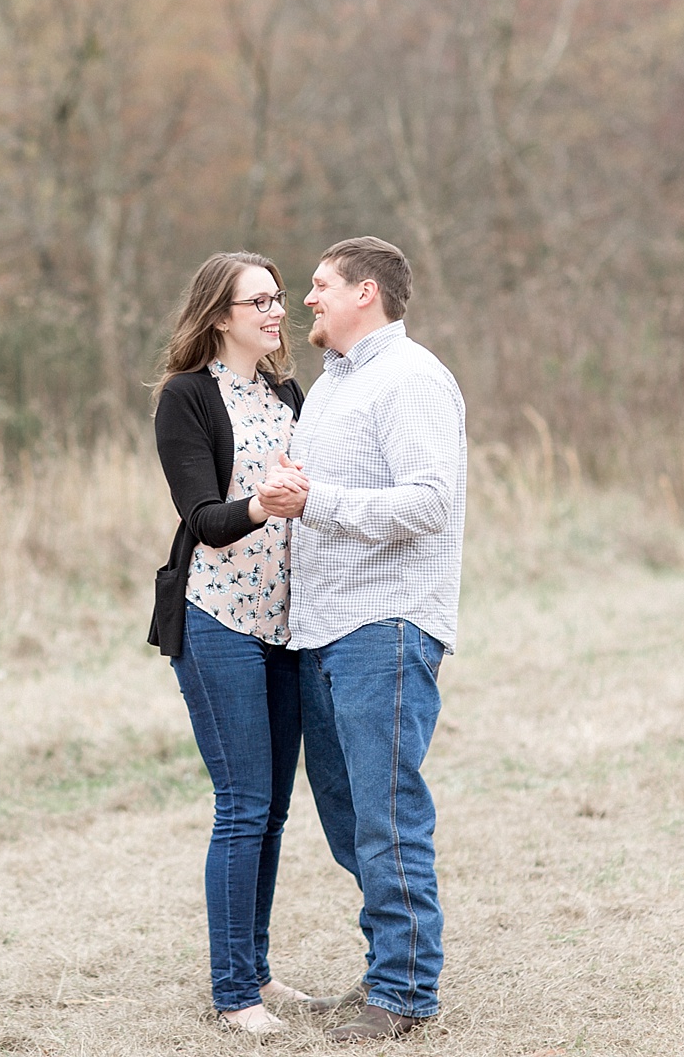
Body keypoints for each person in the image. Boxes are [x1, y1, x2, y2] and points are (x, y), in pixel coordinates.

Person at [255, 236, 468, 1042]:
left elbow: (427, 503)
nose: (305, 300)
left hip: (386, 625)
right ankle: (391, 966)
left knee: (383, 812)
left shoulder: (410, 379)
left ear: (366, 293)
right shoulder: (338, 387)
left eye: (319, 286)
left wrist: (315, 502)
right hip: (324, 631)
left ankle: (406, 995)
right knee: (347, 814)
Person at [149, 252, 314, 1035]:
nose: (277, 312)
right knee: (243, 805)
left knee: (275, 809)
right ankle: (232, 993)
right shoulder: (187, 398)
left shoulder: (287, 392)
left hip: (287, 625)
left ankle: (257, 968)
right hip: (217, 620)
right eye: (260, 301)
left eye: (279, 299)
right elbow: (204, 520)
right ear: (220, 314)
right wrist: (263, 504)